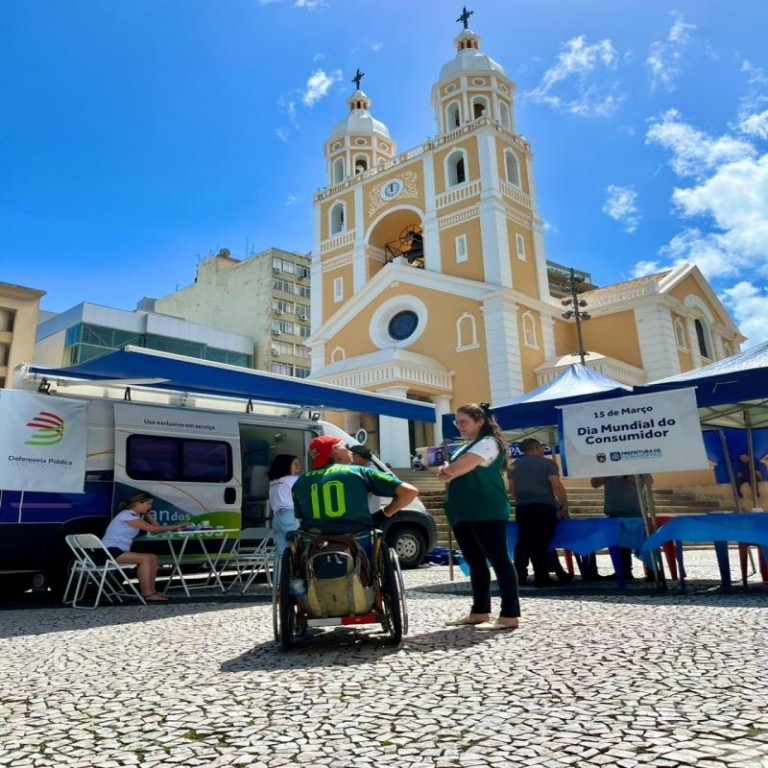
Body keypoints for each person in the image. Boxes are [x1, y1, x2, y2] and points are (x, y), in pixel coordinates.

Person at [437, 402, 520, 631]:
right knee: (475, 561)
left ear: (480, 421)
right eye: (457, 422)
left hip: (485, 510)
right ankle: (479, 611)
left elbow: (451, 471)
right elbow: (449, 472)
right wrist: (448, 470)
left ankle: (509, 614)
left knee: (499, 559)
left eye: (464, 421)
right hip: (464, 510)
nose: (459, 426)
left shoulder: (488, 443)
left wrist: (448, 470)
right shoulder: (469, 446)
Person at [292, 436, 419, 535]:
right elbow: (409, 492)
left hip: (316, 544)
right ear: (334, 450)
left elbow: (301, 520)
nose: (350, 451)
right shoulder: (360, 472)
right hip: (357, 542)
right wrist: (384, 514)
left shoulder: (300, 482)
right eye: (346, 446)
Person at [101, 491, 188, 602]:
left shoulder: (136, 516)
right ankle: (148, 594)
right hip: (109, 551)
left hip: (117, 550)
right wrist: (178, 525)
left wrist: (147, 515)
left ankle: (152, 591)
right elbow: (152, 529)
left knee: (152, 557)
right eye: (148, 504)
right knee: (145, 559)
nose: (150, 506)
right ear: (137, 503)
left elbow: (156, 528)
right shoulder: (127, 515)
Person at [508, 438, 570, 588]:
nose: (543, 449)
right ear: (536, 447)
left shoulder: (514, 466)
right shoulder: (548, 464)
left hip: (523, 507)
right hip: (544, 506)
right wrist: (564, 505)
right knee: (541, 542)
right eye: (542, 446)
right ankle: (541, 577)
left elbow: (512, 489)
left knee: (523, 541)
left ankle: (519, 576)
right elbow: (556, 485)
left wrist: (520, 501)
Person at [590, 474, 652, 580]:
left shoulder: (637, 460)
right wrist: (601, 474)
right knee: (618, 543)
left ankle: (652, 572)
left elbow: (648, 481)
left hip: (635, 511)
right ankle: (623, 571)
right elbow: (594, 484)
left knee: (643, 542)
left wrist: (623, 475)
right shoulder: (605, 465)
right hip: (614, 510)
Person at [268, 454, 301, 554]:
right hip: (290, 515)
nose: (298, 465)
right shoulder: (293, 480)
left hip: (277, 517)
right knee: (298, 548)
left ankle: (279, 570)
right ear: (287, 465)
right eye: (295, 463)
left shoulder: (274, 482)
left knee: (281, 552)